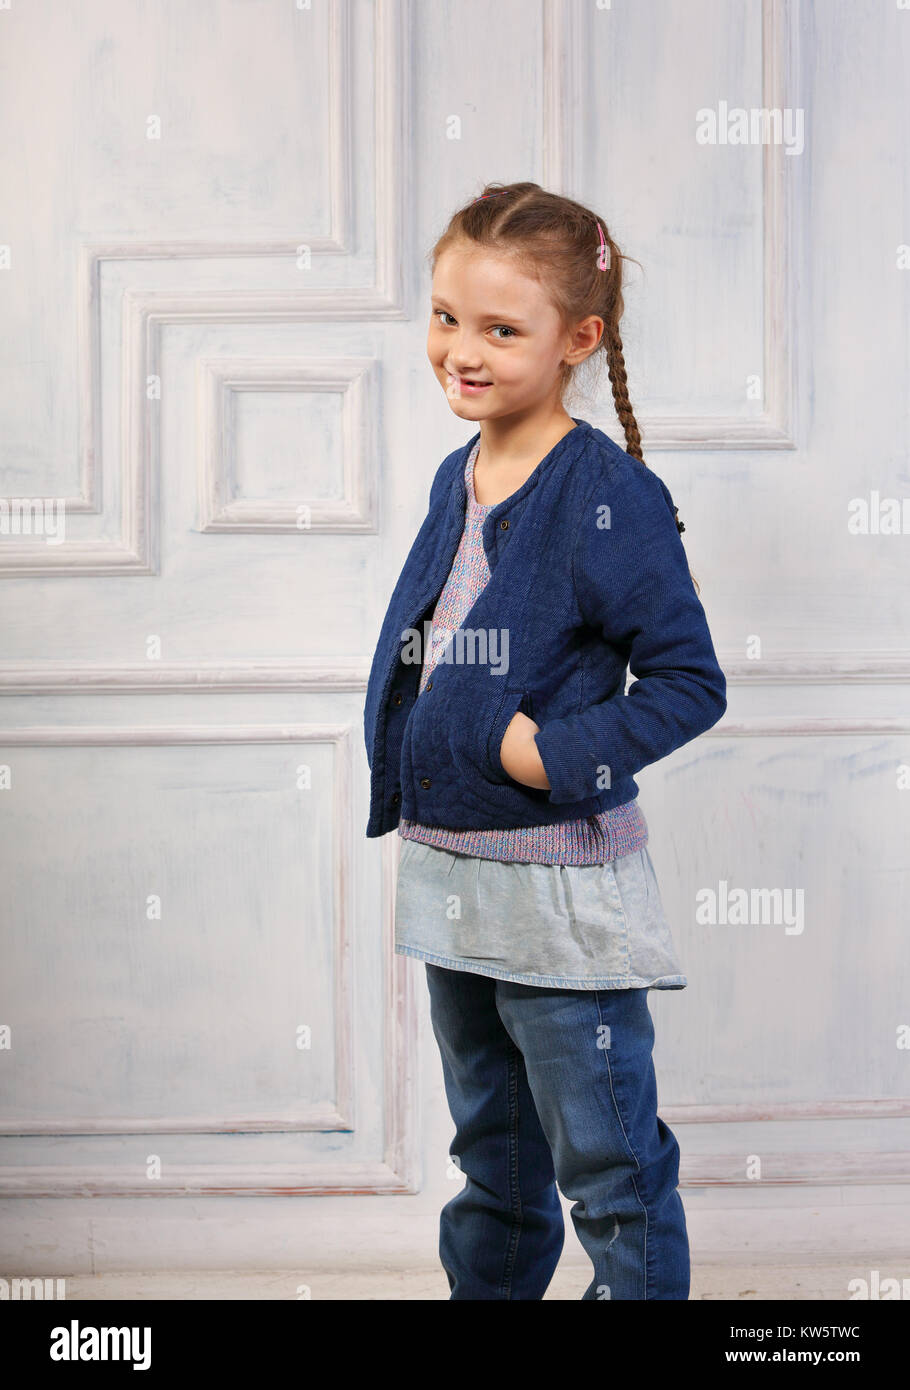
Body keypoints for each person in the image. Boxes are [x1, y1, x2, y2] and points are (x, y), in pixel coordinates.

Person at [362, 181, 727, 1300]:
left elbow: (688, 683)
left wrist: (547, 757)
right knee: (495, 1155)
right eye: (443, 316)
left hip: (558, 898)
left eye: (498, 329)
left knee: (606, 1160)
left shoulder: (610, 497)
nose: (458, 351)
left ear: (580, 338)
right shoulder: (457, 473)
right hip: (453, 875)